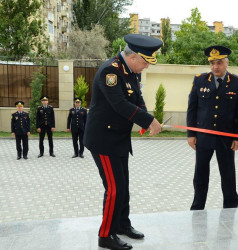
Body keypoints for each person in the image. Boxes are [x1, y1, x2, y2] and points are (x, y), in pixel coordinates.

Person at [84, 34, 163, 250]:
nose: (146, 67)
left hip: (118, 138)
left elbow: (137, 99)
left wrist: (147, 120)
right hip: (104, 140)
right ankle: (105, 235)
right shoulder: (111, 71)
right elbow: (119, 104)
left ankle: (121, 224)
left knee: (123, 186)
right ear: (135, 57)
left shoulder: (131, 72)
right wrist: (149, 121)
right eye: (145, 62)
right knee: (114, 188)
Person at [187, 45, 238, 210]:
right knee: (200, 174)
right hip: (203, 137)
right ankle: (197, 206)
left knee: (227, 174)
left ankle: (230, 206)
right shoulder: (199, 80)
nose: (215, 66)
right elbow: (192, 108)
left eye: (219, 62)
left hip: (226, 138)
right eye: (212, 63)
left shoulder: (237, 82)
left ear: (227, 63)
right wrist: (191, 134)